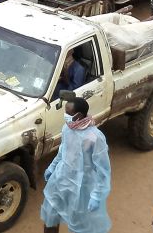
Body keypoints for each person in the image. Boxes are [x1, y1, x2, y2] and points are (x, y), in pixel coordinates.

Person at [42, 97, 111, 233]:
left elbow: (103, 171)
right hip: (61, 180)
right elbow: (63, 151)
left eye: (68, 112)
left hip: (81, 188)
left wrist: (97, 196)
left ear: (78, 115)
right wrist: (52, 166)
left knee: (78, 225)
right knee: (50, 215)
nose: (65, 115)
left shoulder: (94, 137)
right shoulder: (67, 129)